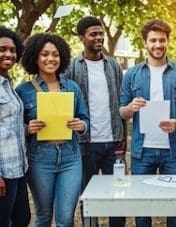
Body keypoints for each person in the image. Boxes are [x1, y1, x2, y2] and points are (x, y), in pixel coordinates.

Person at [119, 19, 176, 227]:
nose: (158, 45)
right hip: (142, 152)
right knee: (143, 206)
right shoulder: (131, 74)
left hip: (173, 151)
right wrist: (131, 107)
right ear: (145, 42)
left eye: (162, 40)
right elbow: (122, 112)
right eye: (153, 40)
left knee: (174, 206)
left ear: (168, 41)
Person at [16, 33, 89, 227]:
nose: (51, 59)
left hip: (70, 158)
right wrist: (27, 128)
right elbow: (14, 129)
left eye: (55, 54)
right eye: (45, 54)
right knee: (43, 216)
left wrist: (81, 125)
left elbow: (85, 119)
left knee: (66, 219)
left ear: (62, 57)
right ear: (35, 57)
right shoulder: (23, 91)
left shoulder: (72, 87)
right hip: (40, 159)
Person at [64, 16, 126, 227]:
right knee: (89, 198)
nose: (98, 37)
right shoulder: (71, 67)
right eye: (93, 34)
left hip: (114, 142)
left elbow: (121, 101)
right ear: (82, 38)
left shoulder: (114, 66)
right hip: (85, 144)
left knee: (118, 196)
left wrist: (123, 135)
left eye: (100, 33)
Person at [0, 26, 31, 227]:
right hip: (3, 171)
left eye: (12, 50)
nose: (8, 54)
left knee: (22, 218)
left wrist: (30, 128)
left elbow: (10, 126)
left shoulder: (7, 84)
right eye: (2, 49)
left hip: (18, 168)